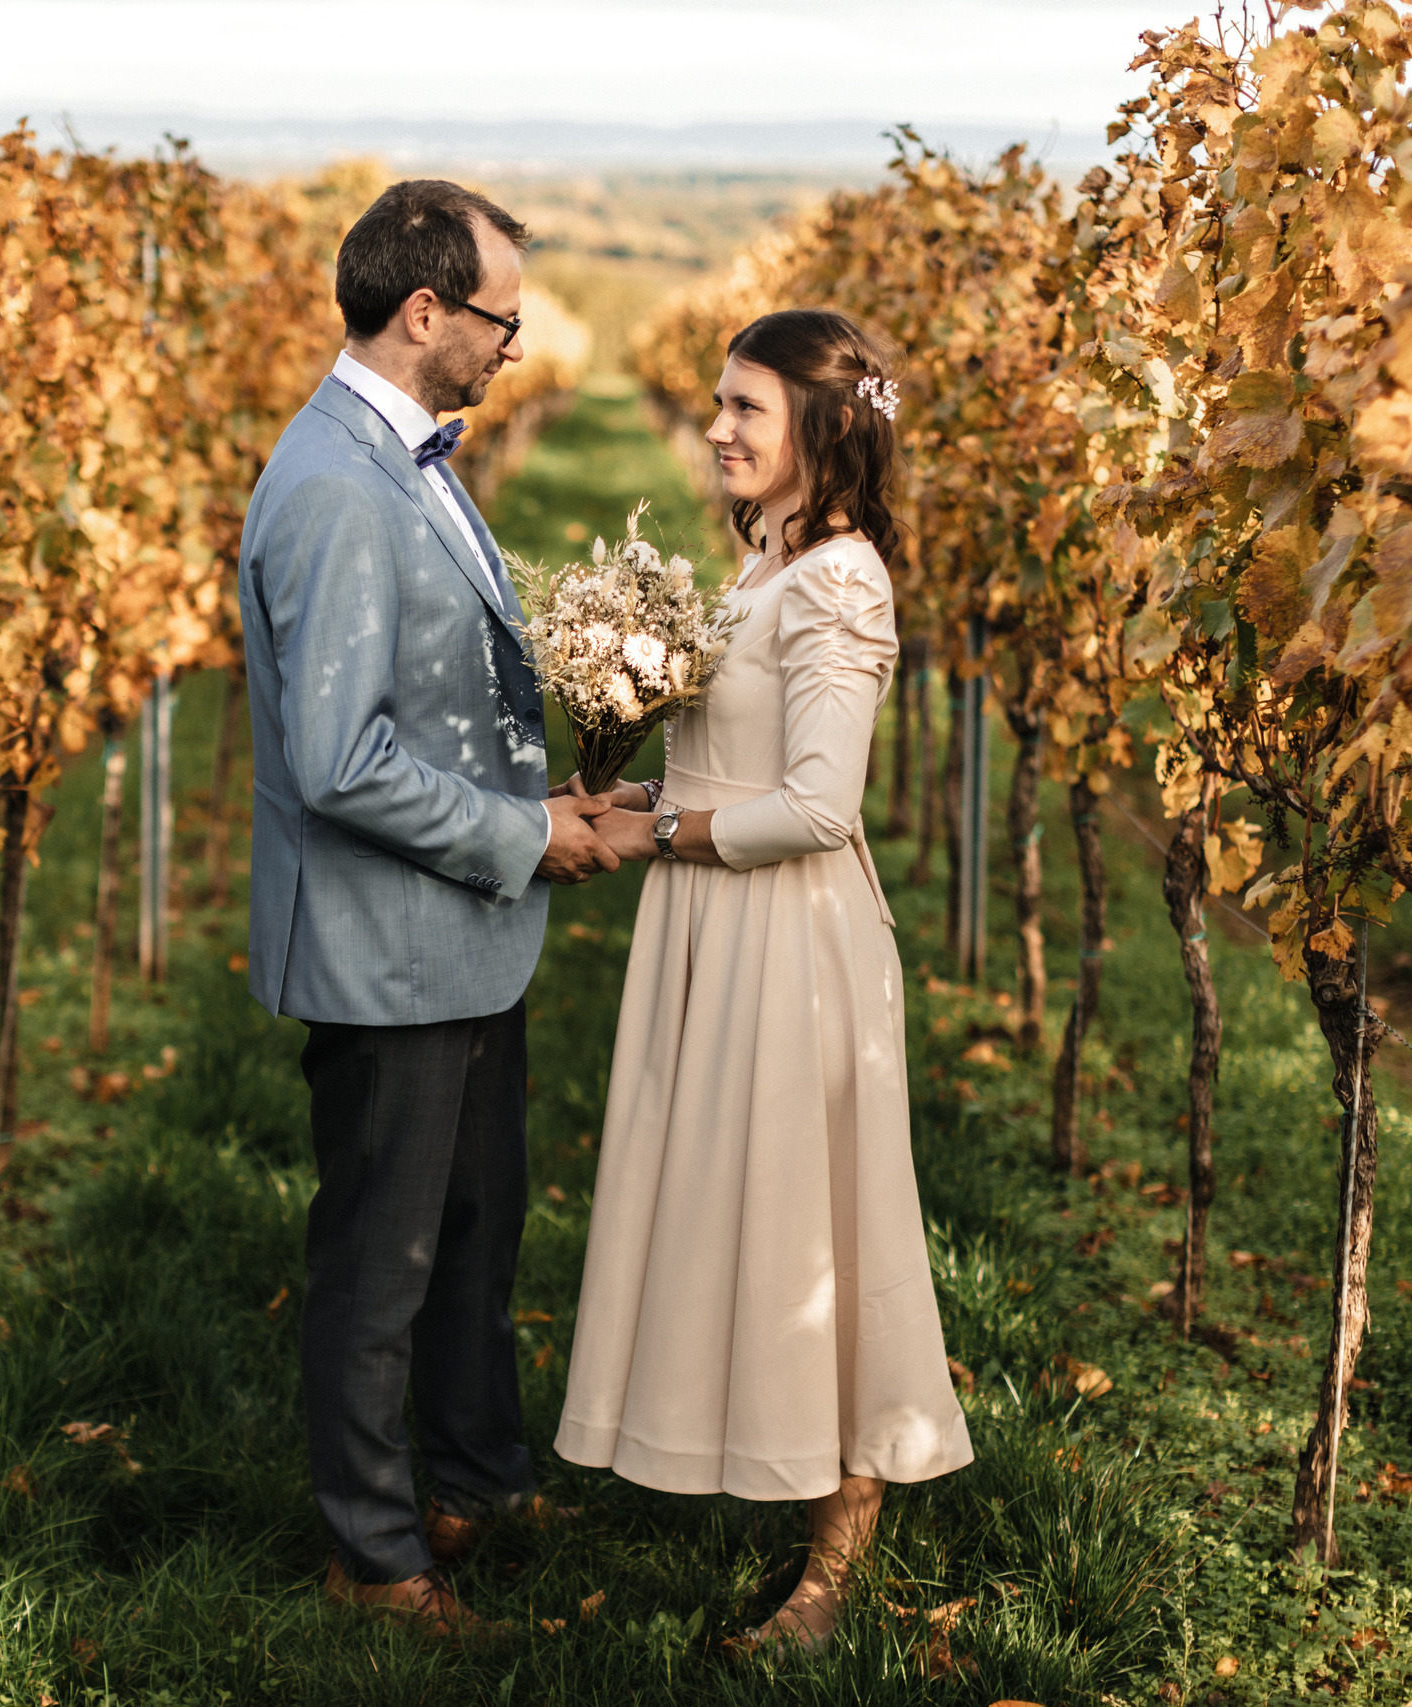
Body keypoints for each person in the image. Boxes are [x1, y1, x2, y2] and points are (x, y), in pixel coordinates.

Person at [555, 309, 973, 1652]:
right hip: (715, 924)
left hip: (786, 937)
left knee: (815, 1222)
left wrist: (664, 835)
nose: (722, 429)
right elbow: (726, 767)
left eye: (749, 409)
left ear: (823, 430)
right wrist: (622, 804)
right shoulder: (765, 564)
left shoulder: (843, 580)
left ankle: (835, 1563)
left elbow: (816, 807)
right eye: (719, 405)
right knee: (733, 1206)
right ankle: (735, 1440)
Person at [239, 179, 618, 1638]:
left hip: (456, 940)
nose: (513, 341)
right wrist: (530, 833)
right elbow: (339, 763)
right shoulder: (335, 483)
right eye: (498, 317)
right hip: (387, 950)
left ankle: (474, 1480)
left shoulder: (406, 455)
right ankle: (375, 1550)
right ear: (422, 313)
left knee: (470, 1230)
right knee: (380, 1262)